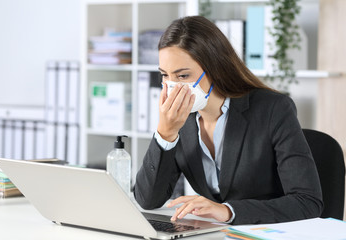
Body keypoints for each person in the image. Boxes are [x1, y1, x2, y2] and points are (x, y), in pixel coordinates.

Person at [134, 15, 323, 225]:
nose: (172, 87)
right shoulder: (180, 121)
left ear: (215, 69)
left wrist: (227, 211)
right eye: (165, 75)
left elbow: (308, 202)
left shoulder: (273, 109)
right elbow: (147, 199)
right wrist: (165, 134)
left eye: (183, 76)